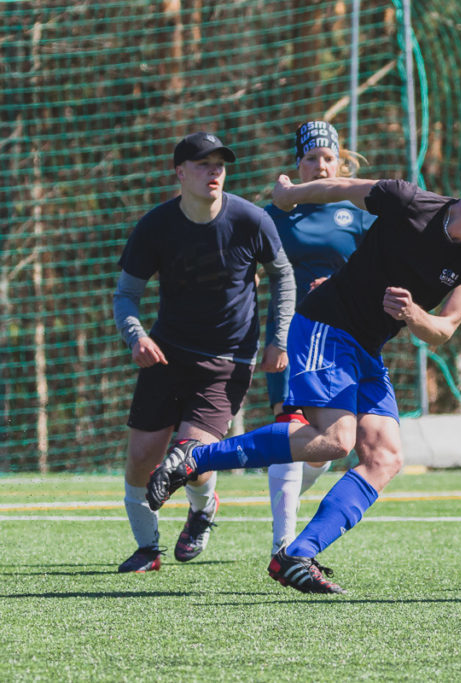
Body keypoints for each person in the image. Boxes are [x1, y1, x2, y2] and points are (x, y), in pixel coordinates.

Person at [146, 162, 461, 593]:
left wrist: (413, 315)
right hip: (324, 325)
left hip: (366, 350)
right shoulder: (409, 202)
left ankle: (296, 556)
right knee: (335, 439)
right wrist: (290, 195)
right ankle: (195, 458)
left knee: (385, 459)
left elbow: (443, 330)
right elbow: (341, 187)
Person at [112, 132, 295, 573]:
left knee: (190, 457)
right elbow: (125, 295)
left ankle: (202, 509)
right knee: (141, 459)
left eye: (219, 164)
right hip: (166, 355)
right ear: (180, 173)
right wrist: (135, 335)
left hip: (228, 362)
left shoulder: (251, 221)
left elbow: (282, 276)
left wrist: (279, 338)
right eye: (202, 164)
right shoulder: (155, 225)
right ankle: (147, 550)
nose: (213, 171)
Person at [263, 121, 376, 557]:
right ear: (298, 164)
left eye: (328, 157)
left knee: (322, 449)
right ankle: (283, 545)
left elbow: (378, 268)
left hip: (343, 337)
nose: (320, 165)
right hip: (291, 334)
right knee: (289, 423)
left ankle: (286, 492)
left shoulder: (358, 214)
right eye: (311, 158)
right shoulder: (277, 212)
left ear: (341, 161)